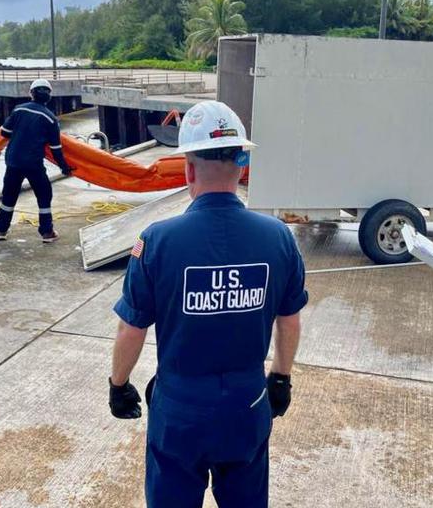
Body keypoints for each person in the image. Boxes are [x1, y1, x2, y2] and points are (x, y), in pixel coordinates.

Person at [107, 100, 308, 508]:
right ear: (242, 165)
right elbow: (289, 320)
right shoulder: (278, 238)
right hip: (247, 405)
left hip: (180, 410)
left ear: (188, 168)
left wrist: (119, 385)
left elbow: (132, 327)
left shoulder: (157, 240)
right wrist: (281, 378)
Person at [0, 78, 72, 242]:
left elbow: (4, 133)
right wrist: (64, 167)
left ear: (31, 94)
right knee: (44, 195)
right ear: (49, 96)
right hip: (33, 164)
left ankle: (1, 230)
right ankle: (46, 232)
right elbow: (56, 148)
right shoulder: (50, 119)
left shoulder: (18, 110)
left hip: (13, 161)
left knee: (9, 195)